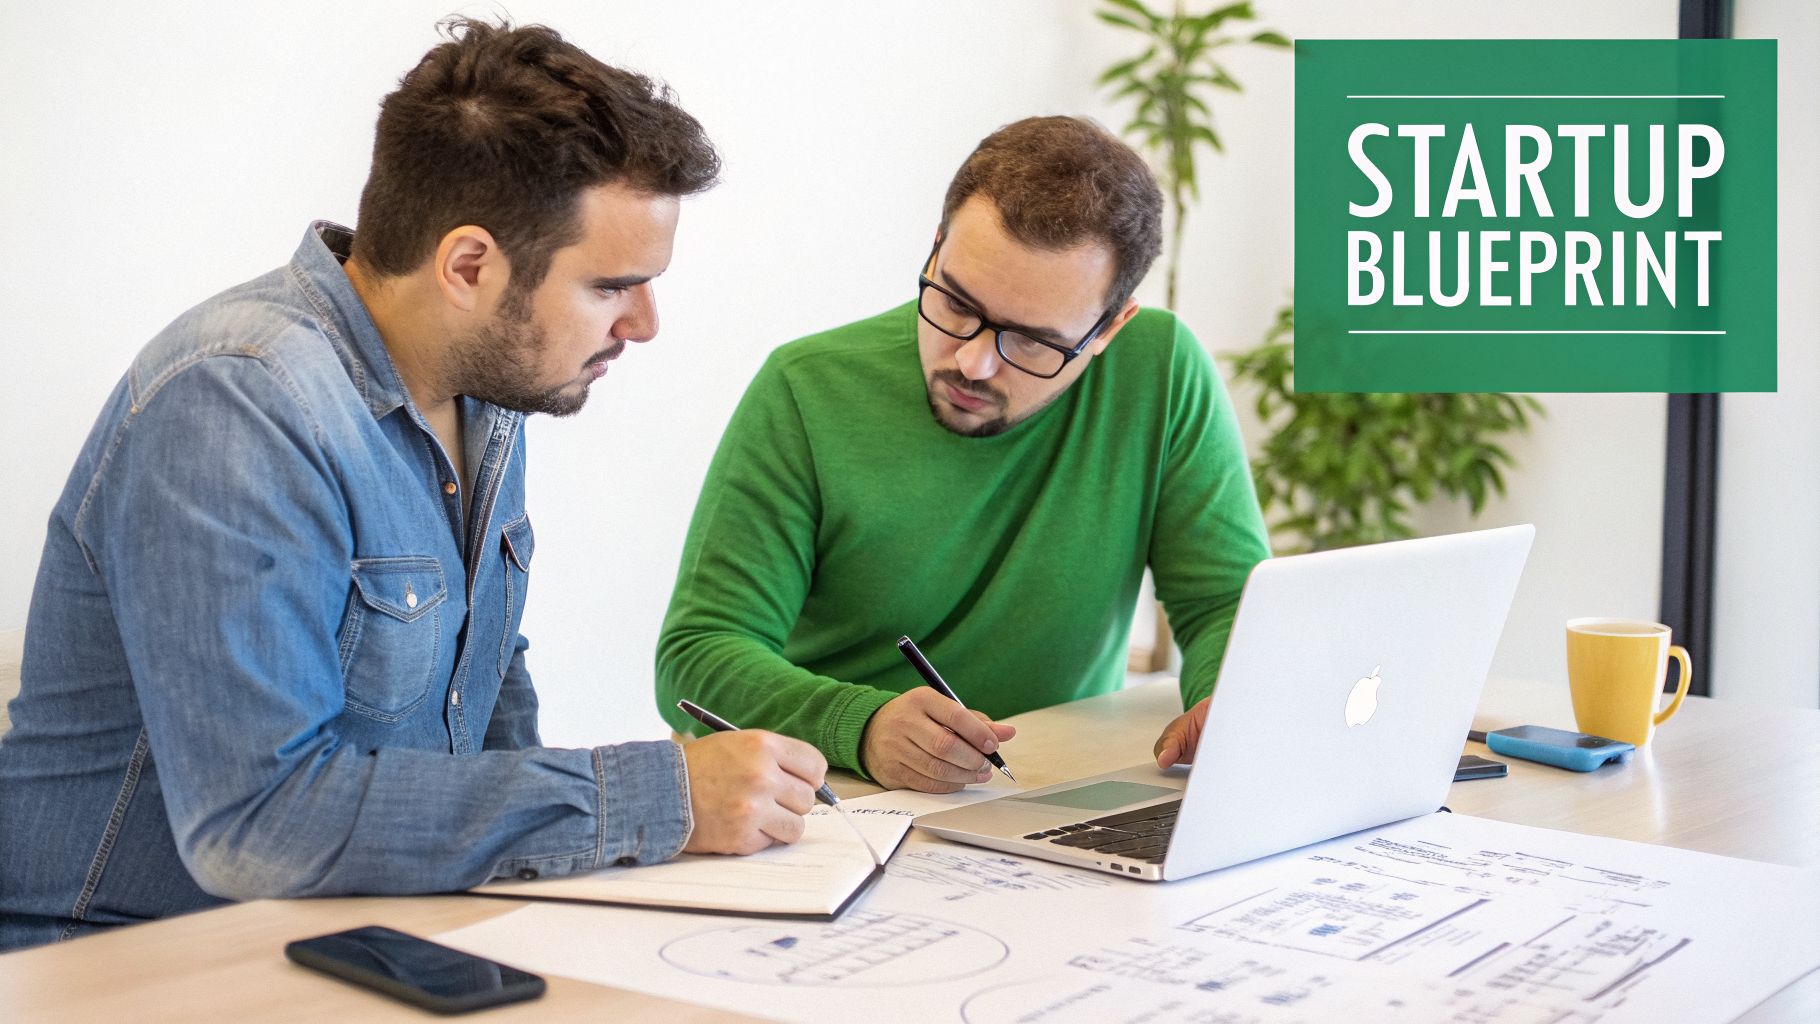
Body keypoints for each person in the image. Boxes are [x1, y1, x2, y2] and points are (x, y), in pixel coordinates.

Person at [0, 19, 826, 953]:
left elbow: (487, 688)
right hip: (118, 962)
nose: (644, 324)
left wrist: (599, 864)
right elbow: (255, 825)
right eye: (611, 286)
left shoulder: (488, 392)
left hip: (355, 935)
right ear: (469, 266)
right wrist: (653, 798)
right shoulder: (235, 401)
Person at [655, 116, 1271, 793]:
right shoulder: (806, 387)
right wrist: (859, 725)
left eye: (1034, 341)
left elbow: (1225, 603)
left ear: (1109, 329)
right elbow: (697, 654)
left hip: (1053, 782)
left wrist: (1232, 703)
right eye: (955, 303)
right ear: (935, 248)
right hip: (842, 800)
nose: (973, 362)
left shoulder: (1160, 369)